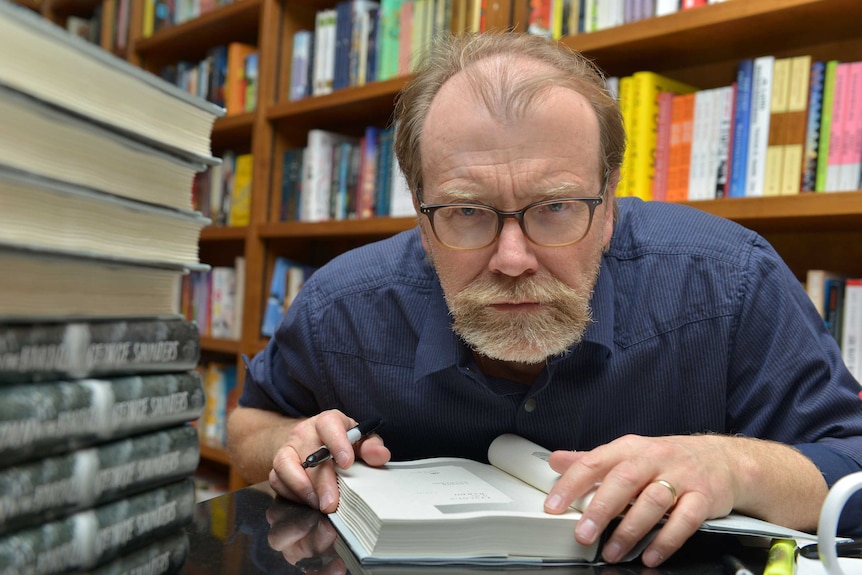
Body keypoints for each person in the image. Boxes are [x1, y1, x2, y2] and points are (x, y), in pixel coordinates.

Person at [227, 32, 862, 567]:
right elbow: (250, 424)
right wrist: (292, 444)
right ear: (421, 218)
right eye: (468, 212)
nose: (512, 259)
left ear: (608, 207)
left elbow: (852, 465)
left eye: (556, 207)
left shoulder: (728, 282)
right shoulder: (344, 303)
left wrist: (731, 465)